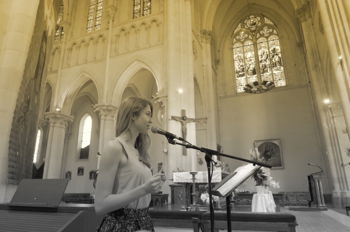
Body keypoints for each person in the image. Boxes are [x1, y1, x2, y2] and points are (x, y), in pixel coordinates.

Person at [95, 97, 163, 232]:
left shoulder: (139, 151)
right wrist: (144, 189)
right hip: (121, 225)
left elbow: (133, 186)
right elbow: (100, 205)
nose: (151, 121)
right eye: (148, 114)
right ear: (133, 115)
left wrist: (153, 183)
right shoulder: (115, 147)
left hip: (144, 222)